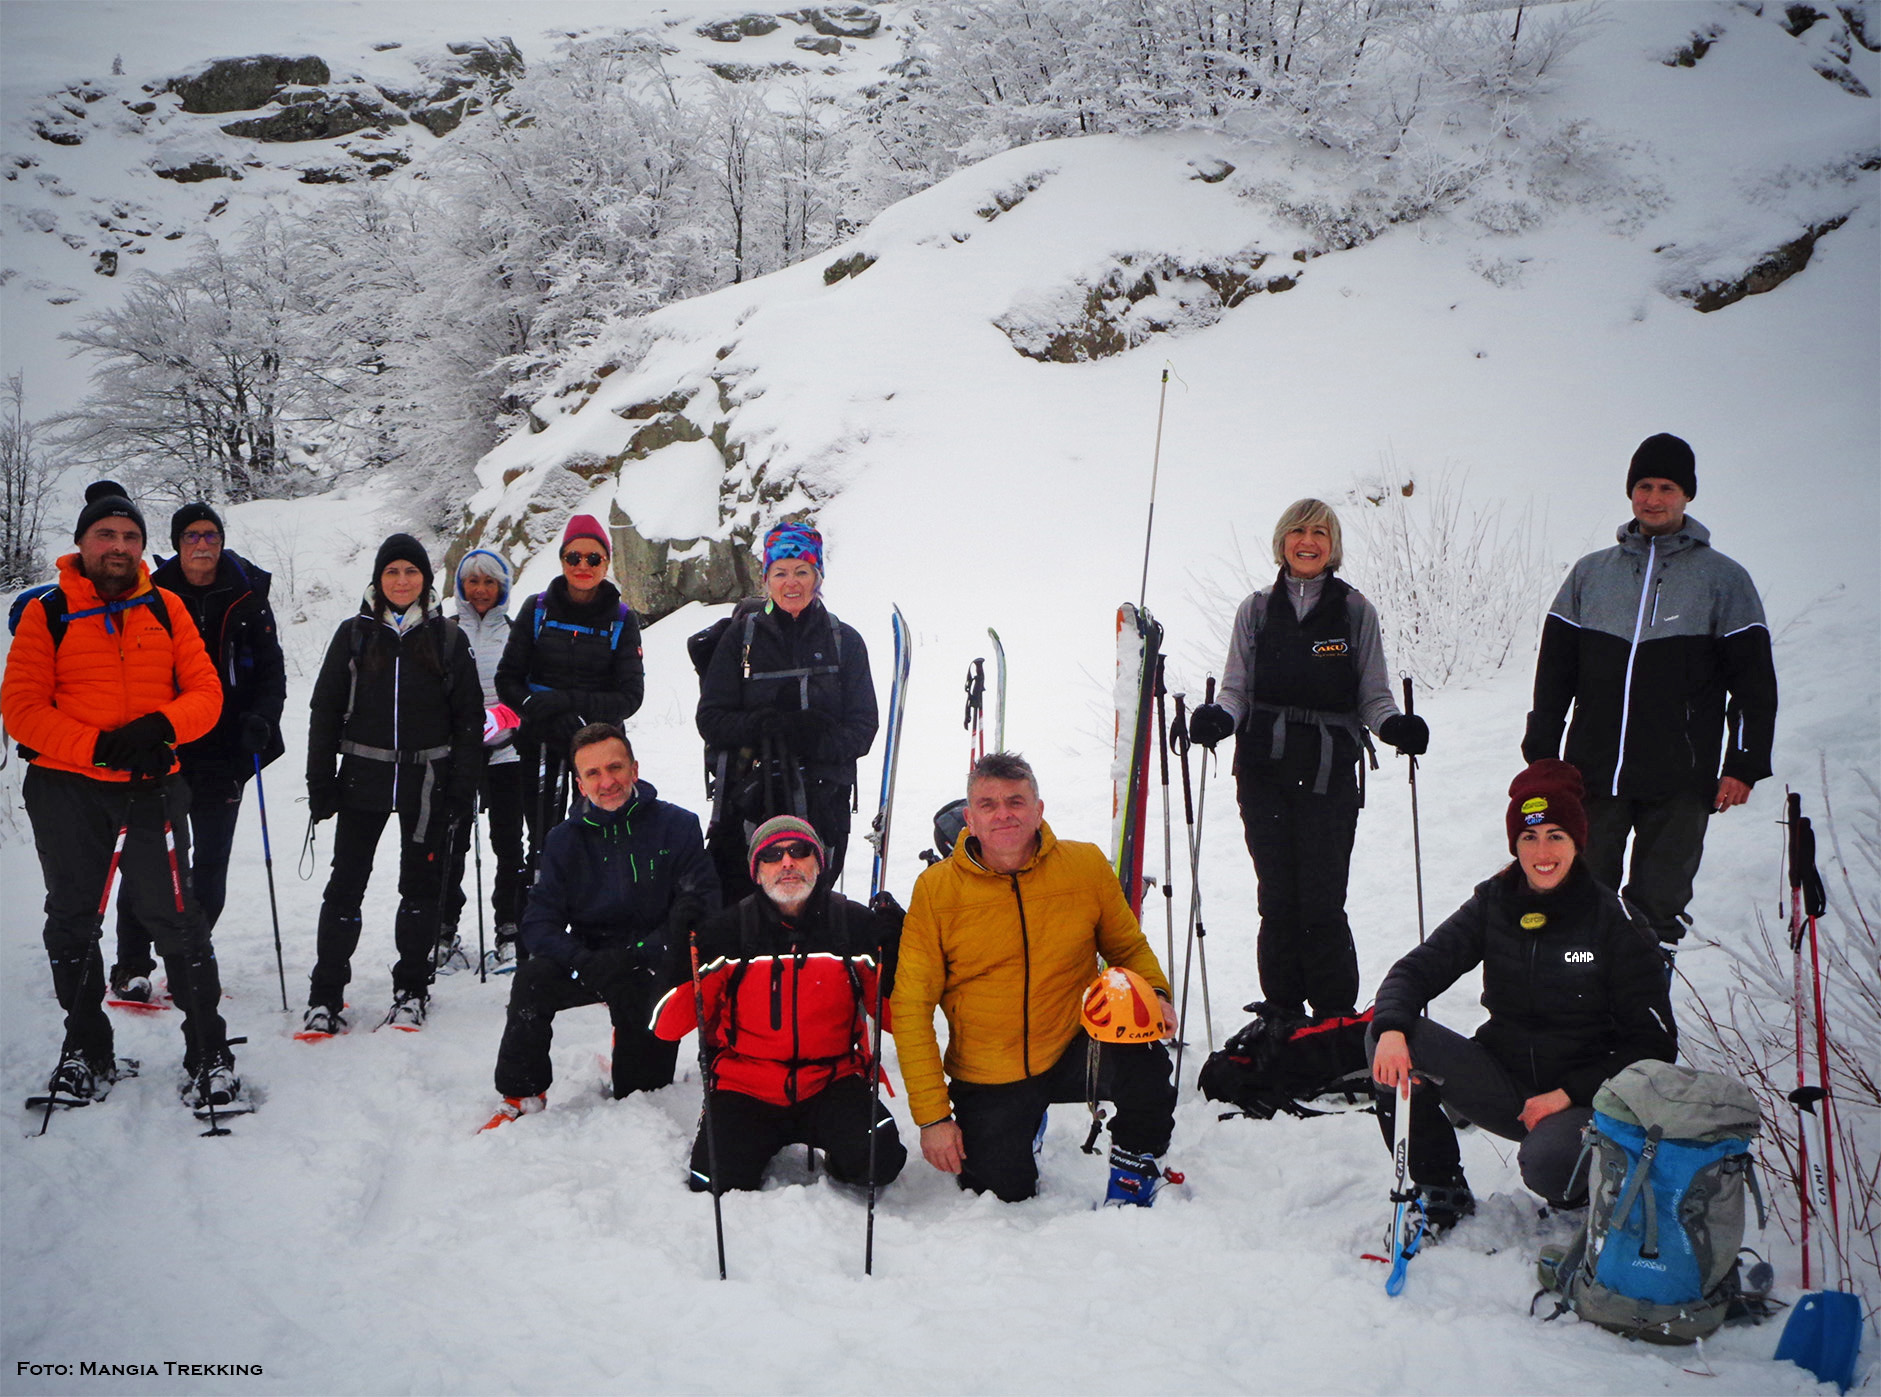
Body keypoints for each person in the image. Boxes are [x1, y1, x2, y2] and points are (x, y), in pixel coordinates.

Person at [1, 481, 241, 1109]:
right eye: (106, 535)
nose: (119, 546)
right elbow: (21, 709)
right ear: (81, 542)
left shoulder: (166, 608)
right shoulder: (45, 612)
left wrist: (162, 727)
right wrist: (99, 747)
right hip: (66, 788)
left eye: (131, 537)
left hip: (150, 788)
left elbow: (206, 694)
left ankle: (208, 1051)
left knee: (178, 919)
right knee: (72, 920)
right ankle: (86, 1048)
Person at [1368, 759, 1678, 1231]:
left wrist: (1568, 1093)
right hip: (1505, 1083)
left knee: (1549, 1163)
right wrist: (1391, 1027)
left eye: (1556, 834)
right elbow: (1416, 969)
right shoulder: (1495, 901)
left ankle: (1585, 1187)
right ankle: (1441, 1192)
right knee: (1386, 1036)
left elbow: (1654, 1047)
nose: (1542, 851)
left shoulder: (1615, 922)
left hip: (1581, 1102)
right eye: (1529, 837)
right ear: (1515, 843)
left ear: (1578, 840)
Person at [1522, 433, 1777, 950]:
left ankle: (1642, 1022)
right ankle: (1578, 1022)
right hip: (1593, 774)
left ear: (1687, 495)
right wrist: (1543, 752)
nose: (1653, 499)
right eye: (1644, 486)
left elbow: (1752, 682)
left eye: (1666, 487)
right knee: (1578, 899)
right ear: (1630, 491)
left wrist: (1744, 762)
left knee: (1655, 914)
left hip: (1680, 782)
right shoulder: (1591, 574)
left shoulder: (1723, 579)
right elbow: (1554, 673)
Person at [891, 752, 1179, 1205]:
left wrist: (1156, 995)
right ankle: (1025, 1121)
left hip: (1075, 1042)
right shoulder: (936, 890)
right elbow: (910, 1006)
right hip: (990, 1067)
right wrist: (933, 1119)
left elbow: (1127, 948)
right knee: (1002, 1191)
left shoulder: (1083, 866)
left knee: (1144, 1056)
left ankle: (1134, 1168)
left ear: (1039, 809)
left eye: (1016, 801)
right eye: (988, 804)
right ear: (969, 817)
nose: (1003, 813)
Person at [1187, 498, 1427, 1021]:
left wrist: (1394, 727)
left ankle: (1335, 1016)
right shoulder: (1255, 609)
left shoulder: (1355, 610)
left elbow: (1374, 697)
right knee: (1276, 897)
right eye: (1299, 530)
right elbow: (1236, 690)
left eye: (1320, 532)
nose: (1309, 541)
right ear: (1283, 540)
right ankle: (1283, 1012)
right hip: (1263, 769)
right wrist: (1218, 720)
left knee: (1321, 898)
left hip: (1329, 771)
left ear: (1332, 545)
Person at [651, 815, 907, 1193]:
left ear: (818, 863)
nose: (787, 862)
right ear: (757, 872)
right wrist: (682, 956)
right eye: (772, 855)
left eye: (799, 851)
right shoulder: (729, 932)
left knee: (879, 1162)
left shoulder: (850, 925)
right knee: (714, 1181)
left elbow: (895, 1020)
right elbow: (667, 1027)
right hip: (747, 1087)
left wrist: (897, 957)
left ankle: (841, 1153)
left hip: (831, 1081)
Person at [483, 723, 719, 1127]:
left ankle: (628, 1042)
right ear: (579, 783)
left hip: (652, 963)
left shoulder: (677, 826)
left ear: (634, 769)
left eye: (615, 768)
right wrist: (581, 960)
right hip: (591, 959)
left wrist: (640, 955)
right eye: (593, 774)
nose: (607, 782)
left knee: (641, 1094)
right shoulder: (563, 840)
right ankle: (522, 1094)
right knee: (532, 980)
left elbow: (702, 906)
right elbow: (538, 922)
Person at [304, 533, 482, 1034]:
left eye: (411, 572)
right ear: (378, 581)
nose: (401, 581)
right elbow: (324, 710)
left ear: (426, 580)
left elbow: (469, 720)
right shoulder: (354, 635)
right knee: (345, 887)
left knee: (420, 889)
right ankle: (325, 996)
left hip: (428, 781)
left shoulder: (448, 638)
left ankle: (412, 989)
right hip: (363, 776)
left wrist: (462, 789)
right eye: (392, 572)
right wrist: (321, 780)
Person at [110, 501, 286, 1004]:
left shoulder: (248, 595)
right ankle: (132, 966)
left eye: (211, 535)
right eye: (192, 536)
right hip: (164, 746)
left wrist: (262, 719)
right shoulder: (151, 594)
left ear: (221, 541)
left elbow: (272, 671)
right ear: (177, 543)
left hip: (227, 749)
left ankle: (190, 958)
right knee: (148, 858)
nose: (202, 545)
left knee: (210, 861)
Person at [695, 522, 878, 902]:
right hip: (749, 798)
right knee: (747, 904)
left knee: (813, 904)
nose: (791, 583)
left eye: (802, 571)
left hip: (823, 801)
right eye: (780, 573)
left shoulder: (844, 641)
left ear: (818, 576)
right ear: (766, 579)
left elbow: (863, 727)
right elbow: (711, 719)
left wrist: (815, 739)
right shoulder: (739, 639)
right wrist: (762, 727)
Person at [494, 514, 644, 964]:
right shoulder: (537, 609)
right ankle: (536, 944)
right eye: (574, 556)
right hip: (539, 742)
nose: (583, 565)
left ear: (606, 562)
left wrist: (569, 706)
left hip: (598, 752)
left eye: (593, 557)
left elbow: (630, 695)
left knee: (601, 838)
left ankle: (598, 942)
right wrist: (538, 710)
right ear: (561, 559)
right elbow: (508, 678)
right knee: (542, 841)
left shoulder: (621, 618)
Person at [434, 549, 527, 973]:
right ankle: (443, 929)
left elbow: (527, 685)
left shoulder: (514, 631)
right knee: (451, 844)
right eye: (473, 582)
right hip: (458, 755)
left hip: (507, 753)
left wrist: (508, 718)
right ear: (460, 588)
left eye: (489, 582)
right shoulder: (446, 631)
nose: (481, 591)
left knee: (509, 846)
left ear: (502, 587)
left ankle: (510, 930)